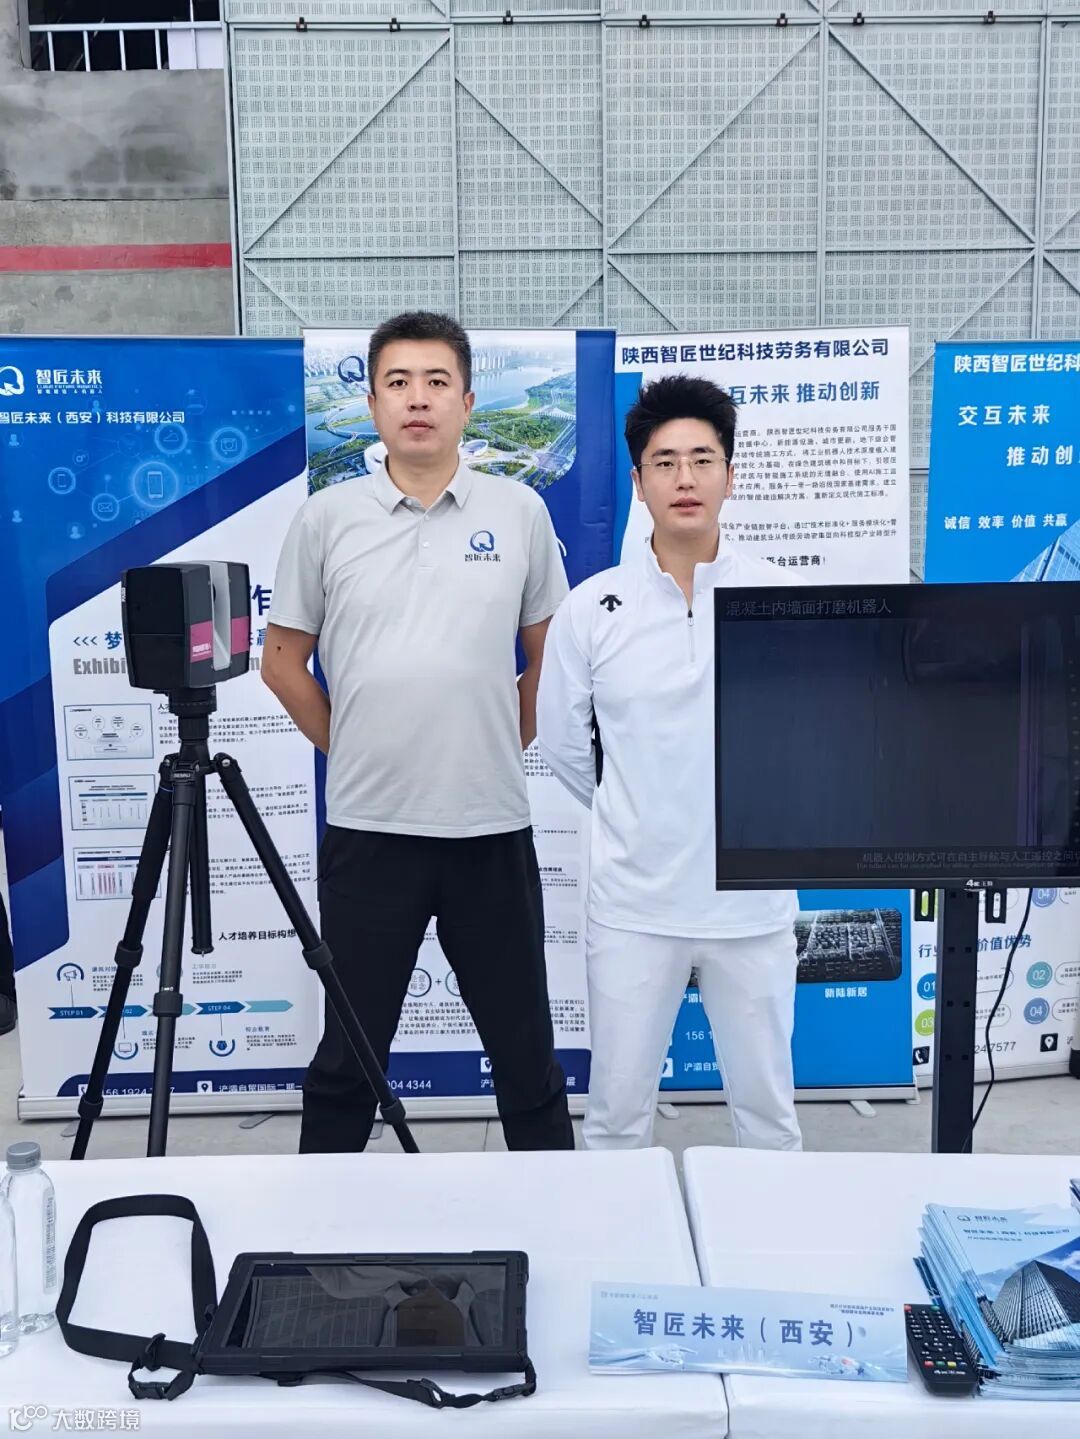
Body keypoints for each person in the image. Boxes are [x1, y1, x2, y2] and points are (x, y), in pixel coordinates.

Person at [263, 311, 574, 1153]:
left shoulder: (520, 512)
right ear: (371, 403)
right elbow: (282, 661)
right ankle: (320, 1218)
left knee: (526, 1058)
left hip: (489, 827)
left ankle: (559, 1212)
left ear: (467, 401)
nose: (418, 399)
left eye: (437, 382)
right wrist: (358, 747)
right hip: (370, 831)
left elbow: (551, 655)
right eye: (397, 382)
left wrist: (495, 740)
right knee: (348, 1060)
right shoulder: (327, 518)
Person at [536, 374, 802, 1152]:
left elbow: (806, 741)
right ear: (639, 481)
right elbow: (564, 744)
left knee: (769, 1118)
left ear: (730, 474)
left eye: (702, 459)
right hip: (634, 906)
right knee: (616, 1120)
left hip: (752, 907)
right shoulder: (593, 608)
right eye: (665, 462)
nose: (685, 478)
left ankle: (768, 1233)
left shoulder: (783, 599)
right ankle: (618, 1232)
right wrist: (639, 808)